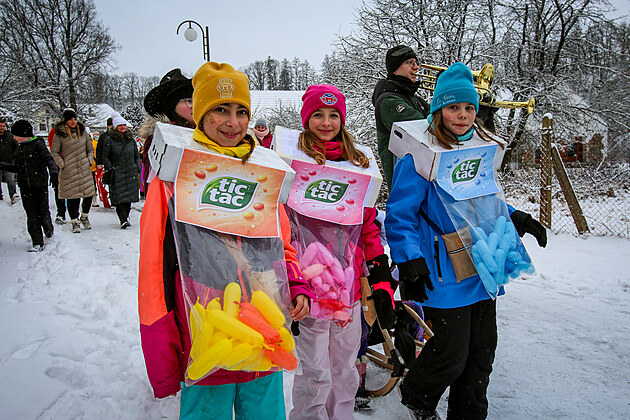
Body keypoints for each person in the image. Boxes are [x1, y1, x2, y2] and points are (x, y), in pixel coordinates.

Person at [138, 62, 312, 419]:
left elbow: (283, 243)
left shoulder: (263, 171)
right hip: (205, 325)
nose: (233, 123)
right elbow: (153, 268)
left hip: (264, 322)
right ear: (200, 115)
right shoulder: (173, 175)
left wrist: (294, 283)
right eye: (220, 110)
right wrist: (161, 348)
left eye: (241, 111)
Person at [385, 63, 547, 420]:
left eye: (469, 107)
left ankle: (469, 414)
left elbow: (486, 199)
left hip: (482, 263)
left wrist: (517, 218)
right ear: (438, 110)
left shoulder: (478, 148)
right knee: (450, 355)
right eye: (453, 107)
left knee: (481, 355)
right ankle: (417, 397)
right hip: (441, 271)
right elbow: (399, 215)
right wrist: (409, 259)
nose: (462, 115)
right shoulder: (419, 157)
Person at [288, 84, 394, 420]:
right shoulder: (293, 162)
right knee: (315, 374)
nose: (326, 122)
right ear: (306, 119)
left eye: (333, 115)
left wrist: (379, 275)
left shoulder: (358, 164)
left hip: (348, 289)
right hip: (310, 288)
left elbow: (368, 226)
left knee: (346, 370)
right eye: (318, 114)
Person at [372, 45, 430, 190]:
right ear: (395, 68)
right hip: (405, 186)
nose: (416, 67)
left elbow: (449, 122)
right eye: (410, 62)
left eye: (416, 62)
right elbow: (425, 129)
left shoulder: (414, 99)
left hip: (419, 180)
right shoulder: (389, 101)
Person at [138, 68, 195, 195]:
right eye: (189, 101)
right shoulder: (157, 139)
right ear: (172, 106)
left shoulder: (206, 133)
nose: (195, 106)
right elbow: (153, 185)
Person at [4, 120, 58, 251]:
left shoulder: (38, 145)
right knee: (31, 213)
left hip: (39, 184)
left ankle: (48, 230)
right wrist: (3, 166)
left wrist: (54, 172)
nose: (14, 138)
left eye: (16, 135)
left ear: (24, 134)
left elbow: (49, 159)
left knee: (43, 210)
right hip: (24, 186)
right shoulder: (19, 148)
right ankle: (37, 242)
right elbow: (17, 168)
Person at [51, 108, 96, 233]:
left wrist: (89, 160)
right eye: (70, 119)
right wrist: (62, 164)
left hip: (84, 168)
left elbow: (90, 149)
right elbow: (54, 152)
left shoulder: (83, 132)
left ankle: (84, 216)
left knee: (88, 194)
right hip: (69, 170)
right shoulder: (60, 134)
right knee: (73, 197)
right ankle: (75, 221)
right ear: (65, 120)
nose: (73, 121)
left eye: (75, 119)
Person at [101, 113, 141, 229]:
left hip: (130, 171)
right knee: (119, 198)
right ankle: (123, 219)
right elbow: (105, 157)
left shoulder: (131, 140)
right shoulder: (109, 140)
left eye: (124, 125)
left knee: (128, 198)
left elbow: (136, 155)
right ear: (115, 127)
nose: (123, 127)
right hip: (117, 172)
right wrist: (110, 168)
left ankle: (126, 217)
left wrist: (137, 167)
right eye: (120, 126)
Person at [0, 118, 19, 204]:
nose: (2, 128)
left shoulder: (10, 136)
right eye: (0, 126)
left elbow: (17, 147)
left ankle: (13, 195)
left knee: (11, 180)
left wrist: (13, 157)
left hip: (9, 162)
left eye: (3, 126)